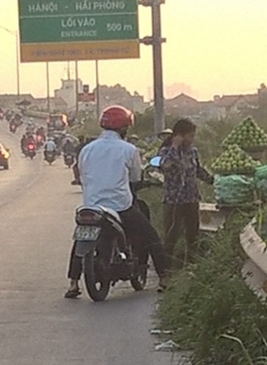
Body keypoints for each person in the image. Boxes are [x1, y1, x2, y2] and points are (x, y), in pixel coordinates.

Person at [65, 105, 170, 298]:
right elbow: (135, 178)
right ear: (125, 128)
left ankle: (73, 283)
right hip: (119, 206)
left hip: (91, 205)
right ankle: (164, 277)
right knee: (151, 236)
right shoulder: (129, 149)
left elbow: (82, 175)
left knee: (81, 238)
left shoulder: (87, 149)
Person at [158, 117, 214, 269]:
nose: (192, 139)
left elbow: (197, 170)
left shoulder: (192, 151)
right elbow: (165, 166)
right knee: (171, 236)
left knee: (193, 236)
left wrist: (212, 180)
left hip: (191, 198)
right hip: (174, 200)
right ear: (180, 135)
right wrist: (175, 147)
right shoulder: (165, 152)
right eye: (190, 136)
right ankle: (166, 271)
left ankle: (191, 266)